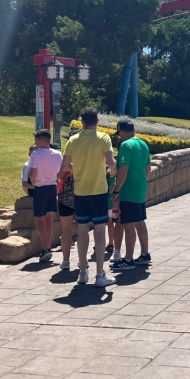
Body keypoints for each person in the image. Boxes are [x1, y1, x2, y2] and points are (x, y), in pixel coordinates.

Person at [59, 107, 117, 286]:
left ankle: (83, 272)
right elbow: (111, 162)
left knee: (82, 231)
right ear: (97, 121)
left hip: (80, 192)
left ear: (82, 122)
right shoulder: (103, 138)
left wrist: (76, 167)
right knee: (100, 232)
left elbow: (64, 167)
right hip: (98, 191)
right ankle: (100, 275)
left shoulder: (73, 140)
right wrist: (112, 171)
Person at [109, 119, 152, 271]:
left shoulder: (126, 145)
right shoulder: (143, 144)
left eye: (119, 133)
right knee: (139, 221)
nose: (119, 136)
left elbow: (123, 170)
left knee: (128, 224)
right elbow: (148, 168)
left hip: (129, 190)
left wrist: (116, 190)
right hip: (141, 188)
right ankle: (145, 254)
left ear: (121, 131)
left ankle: (128, 259)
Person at [26, 130, 62, 264]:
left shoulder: (36, 154)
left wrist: (33, 182)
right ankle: (48, 246)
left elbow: (32, 172)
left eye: (36, 141)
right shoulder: (57, 154)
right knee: (48, 217)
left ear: (41, 141)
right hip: (52, 186)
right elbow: (61, 171)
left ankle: (46, 247)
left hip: (40, 187)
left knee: (39, 218)